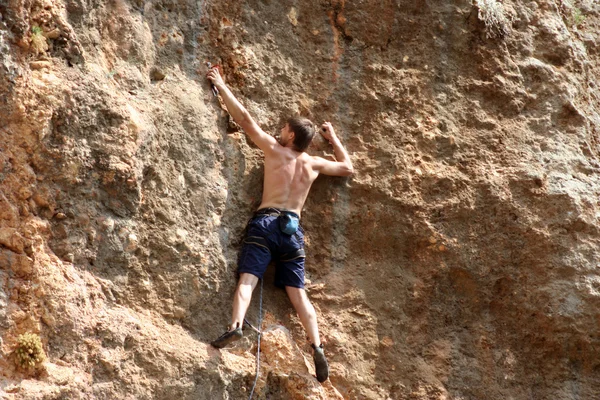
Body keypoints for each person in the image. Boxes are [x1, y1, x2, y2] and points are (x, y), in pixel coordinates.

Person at [206, 66, 353, 383]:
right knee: (298, 294)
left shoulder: (275, 150)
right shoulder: (313, 163)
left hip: (266, 222)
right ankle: (317, 346)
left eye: (283, 128)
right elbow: (347, 167)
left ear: (289, 136)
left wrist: (220, 84)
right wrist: (334, 138)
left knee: (249, 278)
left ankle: (236, 326)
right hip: (292, 232)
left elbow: (244, 119)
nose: (279, 130)